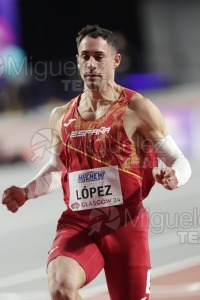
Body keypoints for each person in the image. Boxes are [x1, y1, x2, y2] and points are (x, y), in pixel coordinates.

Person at [2, 24, 192, 300]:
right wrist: (25, 191)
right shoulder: (61, 115)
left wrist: (175, 175)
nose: (91, 63)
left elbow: (178, 159)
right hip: (79, 223)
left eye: (99, 57)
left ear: (115, 60)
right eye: (85, 56)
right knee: (61, 289)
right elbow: (57, 170)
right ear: (78, 60)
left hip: (126, 224)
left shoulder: (137, 108)